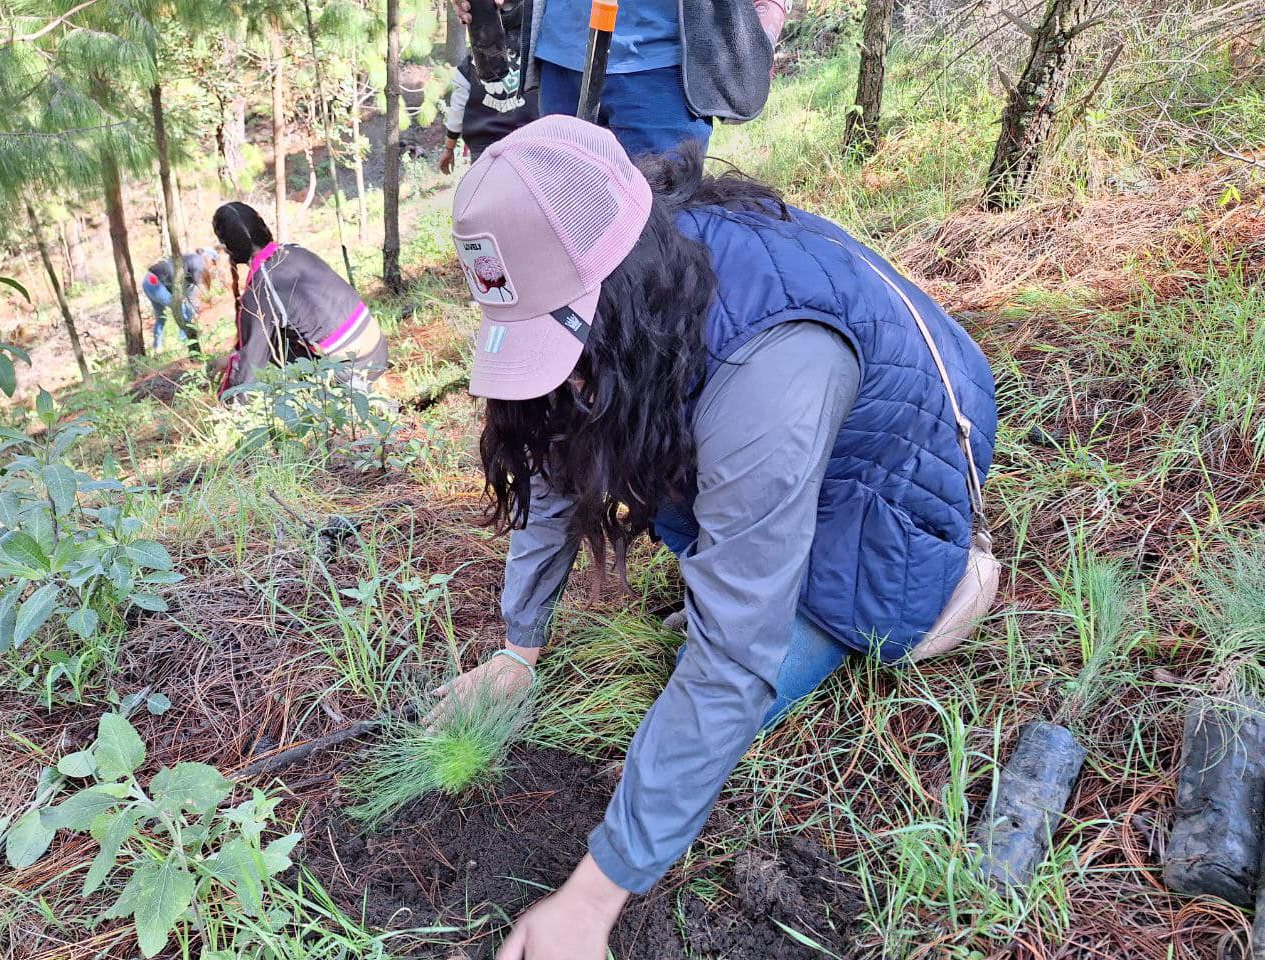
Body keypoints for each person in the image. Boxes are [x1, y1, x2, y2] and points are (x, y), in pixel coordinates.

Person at [437, 116, 997, 959]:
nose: (559, 378)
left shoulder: (769, 374)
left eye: (565, 346)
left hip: (900, 472)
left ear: (618, 301)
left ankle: (955, 585)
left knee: (745, 659)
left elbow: (732, 655)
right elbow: (551, 445)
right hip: (793, 427)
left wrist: (593, 896)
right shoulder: (640, 280)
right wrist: (519, 648)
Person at [456, 0, 789, 158]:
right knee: (573, 231)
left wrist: (769, 15)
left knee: (665, 237)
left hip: (663, 69)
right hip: (560, 59)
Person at [211, 202, 388, 393]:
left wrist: (228, 403)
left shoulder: (260, 288)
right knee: (276, 334)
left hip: (353, 369)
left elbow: (250, 368)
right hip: (379, 351)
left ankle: (339, 392)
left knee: (272, 341)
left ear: (229, 248)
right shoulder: (295, 251)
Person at [440, 0, 541, 174]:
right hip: (530, 145)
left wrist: (449, 148)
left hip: (484, 151)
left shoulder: (468, 67)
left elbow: (457, 108)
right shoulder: (536, 58)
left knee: (486, 198)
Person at [141, 248, 216, 353]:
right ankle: (185, 342)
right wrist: (209, 299)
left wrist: (195, 310)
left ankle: (157, 348)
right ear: (208, 257)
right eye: (213, 262)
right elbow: (199, 286)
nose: (211, 267)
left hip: (148, 281)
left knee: (161, 317)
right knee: (180, 308)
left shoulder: (188, 267)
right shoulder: (198, 261)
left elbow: (190, 294)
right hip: (156, 283)